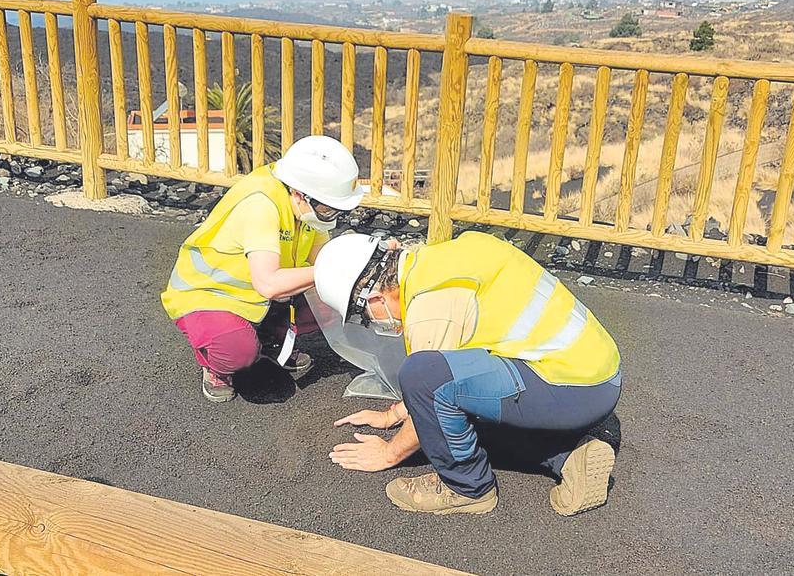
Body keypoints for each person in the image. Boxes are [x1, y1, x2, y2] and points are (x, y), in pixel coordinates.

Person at [314, 231, 620, 516]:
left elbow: (428, 387)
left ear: (374, 298)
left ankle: (467, 487)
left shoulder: (430, 304)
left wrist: (389, 453)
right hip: (596, 378)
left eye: (364, 317)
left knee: (424, 378)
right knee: (459, 408)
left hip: (568, 390)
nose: (372, 323)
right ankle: (568, 456)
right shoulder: (444, 260)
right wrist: (393, 414)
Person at [161, 135, 365, 402]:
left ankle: (269, 340)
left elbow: (320, 258)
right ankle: (216, 364)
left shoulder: (303, 203)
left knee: (334, 303)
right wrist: (331, 271)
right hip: (209, 294)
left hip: (259, 294)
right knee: (236, 351)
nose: (332, 217)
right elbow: (270, 283)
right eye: (328, 209)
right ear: (300, 194)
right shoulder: (261, 204)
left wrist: (357, 270)